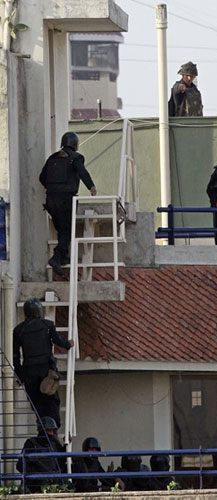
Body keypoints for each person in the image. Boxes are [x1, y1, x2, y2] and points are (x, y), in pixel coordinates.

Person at [39, 131, 96, 276]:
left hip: (51, 201)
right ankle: (56, 257)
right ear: (75, 144)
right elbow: (82, 172)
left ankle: (63, 258)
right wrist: (91, 186)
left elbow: (42, 178)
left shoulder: (52, 158)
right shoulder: (76, 157)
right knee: (67, 230)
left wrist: (53, 189)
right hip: (66, 201)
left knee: (62, 229)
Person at [13, 298, 74, 428]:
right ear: (39, 311)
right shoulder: (47, 325)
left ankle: (43, 431)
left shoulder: (18, 330)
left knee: (37, 405)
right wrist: (69, 344)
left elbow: (15, 356)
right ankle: (53, 430)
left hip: (29, 374)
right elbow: (58, 340)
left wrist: (19, 375)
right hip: (46, 372)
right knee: (51, 401)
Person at [16, 416, 65, 493]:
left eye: (53, 431)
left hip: (52, 486)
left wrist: (66, 445)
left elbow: (61, 461)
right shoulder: (31, 444)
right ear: (42, 431)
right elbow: (20, 465)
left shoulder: (54, 444)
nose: (52, 433)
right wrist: (39, 475)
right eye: (49, 431)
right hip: (34, 487)